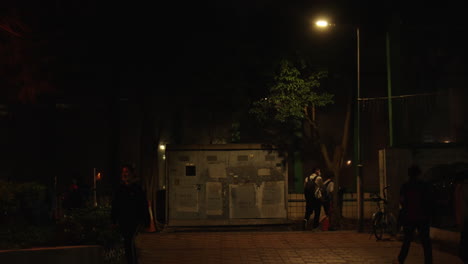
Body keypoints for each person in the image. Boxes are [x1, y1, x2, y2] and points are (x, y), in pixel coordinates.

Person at [111, 164, 150, 264]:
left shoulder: (137, 189)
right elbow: (115, 206)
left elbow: (143, 205)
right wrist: (113, 220)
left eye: (127, 172)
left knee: (133, 243)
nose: (125, 174)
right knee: (127, 244)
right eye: (123, 172)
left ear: (132, 174)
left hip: (135, 222)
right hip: (124, 221)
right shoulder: (120, 190)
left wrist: (146, 221)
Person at [397, 165, 434, 264]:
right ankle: (428, 261)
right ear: (419, 174)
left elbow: (402, 201)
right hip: (422, 217)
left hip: (409, 217)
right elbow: (428, 201)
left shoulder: (405, 186)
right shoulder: (424, 186)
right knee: (426, 242)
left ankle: (401, 259)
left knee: (407, 240)